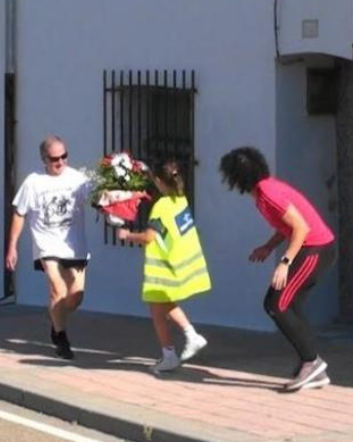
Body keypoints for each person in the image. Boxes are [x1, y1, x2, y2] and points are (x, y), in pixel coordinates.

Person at [219, 147, 337, 392]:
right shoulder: (263, 193)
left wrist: (284, 263)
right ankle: (312, 364)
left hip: (316, 249)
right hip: (313, 249)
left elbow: (301, 228)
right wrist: (268, 247)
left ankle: (311, 362)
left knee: (277, 304)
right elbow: (286, 226)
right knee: (287, 305)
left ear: (237, 177)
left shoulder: (267, 192)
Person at [117, 159, 210, 374]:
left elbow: (150, 237)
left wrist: (127, 235)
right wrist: (148, 170)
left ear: (159, 181)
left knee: (159, 311)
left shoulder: (161, 206)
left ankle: (178, 347)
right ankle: (179, 346)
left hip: (163, 268)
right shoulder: (180, 200)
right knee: (163, 307)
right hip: (177, 263)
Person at [6, 135, 91, 360]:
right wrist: (12, 246)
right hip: (47, 245)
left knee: (75, 296)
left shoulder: (78, 179)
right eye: (55, 158)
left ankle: (56, 322)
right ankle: (61, 338)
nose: (61, 162)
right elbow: (19, 213)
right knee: (58, 289)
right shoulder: (34, 182)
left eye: (64, 156)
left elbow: (97, 199)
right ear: (44, 159)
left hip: (75, 246)